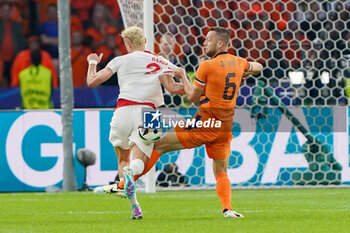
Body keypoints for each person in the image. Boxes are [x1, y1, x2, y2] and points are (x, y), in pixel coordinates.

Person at [108, 26, 263, 219]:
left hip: (204, 124)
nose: (204, 42)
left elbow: (191, 96)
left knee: (158, 145)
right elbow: (258, 66)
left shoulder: (206, 66)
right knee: (221, 171)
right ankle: (227, 209)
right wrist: (246, 72)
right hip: (224, 127)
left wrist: (183, 75)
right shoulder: (239, 63)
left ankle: (124, 183)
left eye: (209, 39)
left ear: (220, 43)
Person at [86, 26, 184, 219]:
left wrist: (91, 63)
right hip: (150, 112)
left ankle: (135, 207)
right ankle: (133, 172)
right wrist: (196, 86)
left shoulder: (119, 60)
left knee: (123, 159)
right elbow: (173, 88)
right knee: (141, 159)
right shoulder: (159, 60)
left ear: (128, 44)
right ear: (145, 41)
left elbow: (92, 81)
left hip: (123, 110)